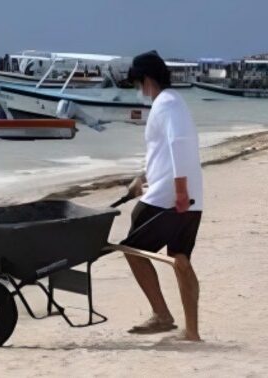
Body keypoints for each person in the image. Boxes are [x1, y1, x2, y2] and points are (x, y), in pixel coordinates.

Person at [123, 51, 203, 341]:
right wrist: (142, 179)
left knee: (130, 249)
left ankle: (162, 314)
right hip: (190, 196)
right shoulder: (176, 103)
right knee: (180, 258)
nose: (138, 90)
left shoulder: (165, 103)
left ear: (146, 79)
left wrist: (179, 192)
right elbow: (163, 154)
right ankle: (191, 332)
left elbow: (178, 144)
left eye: (137, 83)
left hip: (170, 196)